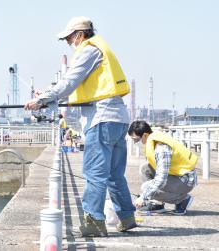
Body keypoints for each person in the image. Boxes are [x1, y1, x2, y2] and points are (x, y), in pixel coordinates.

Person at [24, 16, 136, 236]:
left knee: (94, 173)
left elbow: (69, 82)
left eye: (69, 39)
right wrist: (46, 95)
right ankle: (127, 217)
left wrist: (42, 100)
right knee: (114, 175)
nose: (70, 43)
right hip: (118, 118)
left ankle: (94, 222)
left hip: (101, 119)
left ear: (80, 34)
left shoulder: (88, 50)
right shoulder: (101, 49)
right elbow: (74, 86)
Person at [128, 120, 198, 215]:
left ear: (144, 135)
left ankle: (183, 199)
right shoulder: (153, 139)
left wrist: (143, 197)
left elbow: (161, 179)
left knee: (146, 187)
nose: (135, 142)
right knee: (145, 169)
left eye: (136, 139)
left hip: (184, 180)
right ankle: (157, 204)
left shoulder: (161, 148)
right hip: (176, 175)